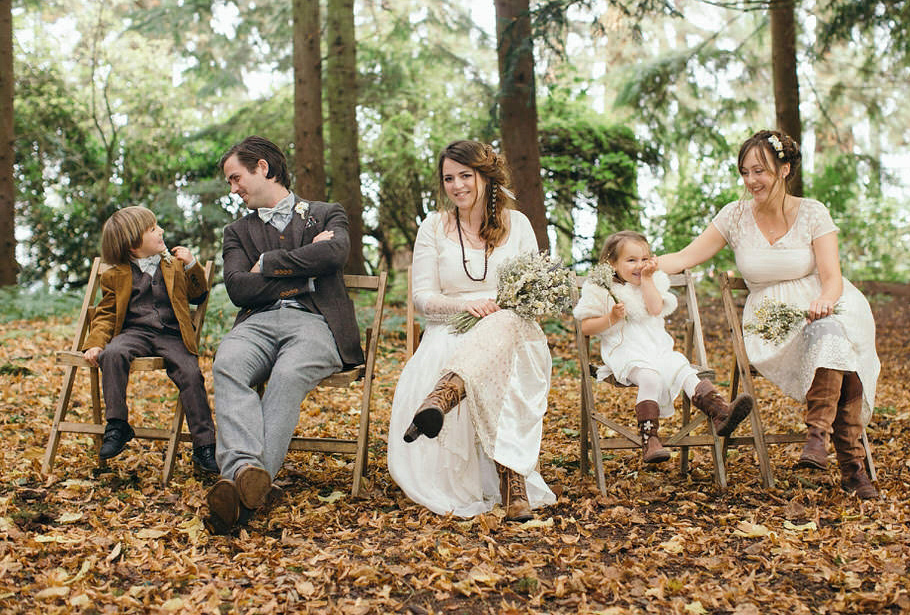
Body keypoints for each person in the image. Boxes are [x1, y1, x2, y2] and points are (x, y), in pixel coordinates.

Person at [657, 130, 881, 499]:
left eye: (759, 171)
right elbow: (684, 257)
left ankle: (816, 437)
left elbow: (832, 277)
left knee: (833, 335)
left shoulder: (813, 212)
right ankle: (851, 468)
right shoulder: (734, 215)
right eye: (744, 172)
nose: (750, 181)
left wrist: (825, 301)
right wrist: (644, 265)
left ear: (784, 169)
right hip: (771, 320)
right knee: (838, 350)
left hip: (823, 306)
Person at [387, 140, 556, 522]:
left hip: (512, 325)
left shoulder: (520, 225)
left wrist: (503, 307)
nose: (457, 185)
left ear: (486, 177)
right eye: (449, 178)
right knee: (489, 351)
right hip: (452, 325)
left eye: (466, 175)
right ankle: (510, 485)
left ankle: (444, 396)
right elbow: (422, 297)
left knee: (506, 330)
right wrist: (464, 305)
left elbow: (532, 292)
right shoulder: (434, 226)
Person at [206, 136, 363, 532]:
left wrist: (269, 264)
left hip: (315, 323)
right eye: (230, 181)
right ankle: (247, 473)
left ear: (262, 167)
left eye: (236, 177)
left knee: (288, 375)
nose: (233, 188)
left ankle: (240, 490)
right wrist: (306, 275)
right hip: (255, 324)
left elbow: (334, 255)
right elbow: (239, 288)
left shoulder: (326, 214)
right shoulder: (236, 232)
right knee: (227, 364)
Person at [573, 231, 753, 464]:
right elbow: (586, 326)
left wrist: (647, 279)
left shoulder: (653, 281)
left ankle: (722, 413)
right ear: (612, 263)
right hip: (625, 353)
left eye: (644, 259)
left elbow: (656, 308)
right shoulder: (600, 288)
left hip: (658, 349)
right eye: (631, 260)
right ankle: (650, 439)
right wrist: (611, 317)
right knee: (650, 378)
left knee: (685, 371)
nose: (639, 265)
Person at [82, 206, 217, 473]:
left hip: (171, 334)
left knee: (190, 373)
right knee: (112, 353)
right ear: (133, 245)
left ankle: (205, 445)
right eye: (153, 229)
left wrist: (192, 265)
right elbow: (106, 313)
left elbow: (199, 295)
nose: (161, 231)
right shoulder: (116, 274)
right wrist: (95, 342)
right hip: (135, 334)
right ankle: (117, 425)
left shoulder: (174, 265)